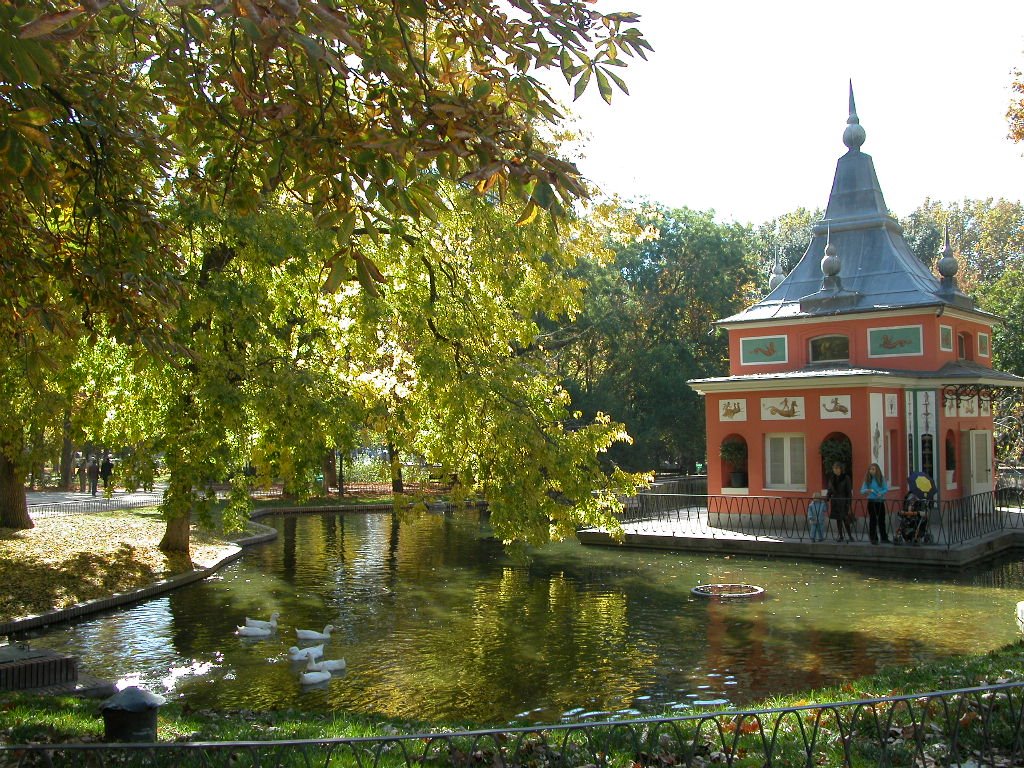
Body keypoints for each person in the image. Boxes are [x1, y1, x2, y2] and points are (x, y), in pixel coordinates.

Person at [860, 462, 890, 544]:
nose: (871, 471)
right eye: (870, 469)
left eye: (873, 469)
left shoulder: (881, 478)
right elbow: (862, 491)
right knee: (873, 520)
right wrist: (867, 490)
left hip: (880, 501)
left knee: (881, 520)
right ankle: (873, 538)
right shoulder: (867, 479)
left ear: (877, 470)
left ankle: (884, 538)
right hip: (871, 501)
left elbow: (885, 489)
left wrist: (881, 493)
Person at [827, 461, 854, 542]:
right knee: (838, 520)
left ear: (841, 469)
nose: (835, 470)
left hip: (843, 501)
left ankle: (850, 536)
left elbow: (849, 491)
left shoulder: (846, 477)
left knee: (845, 519)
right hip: (835, 501)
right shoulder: (832, 478)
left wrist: (849, 503)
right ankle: (841, 536)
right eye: (834, 468)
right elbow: (830, 489)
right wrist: (827, 497)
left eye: (837, 468)